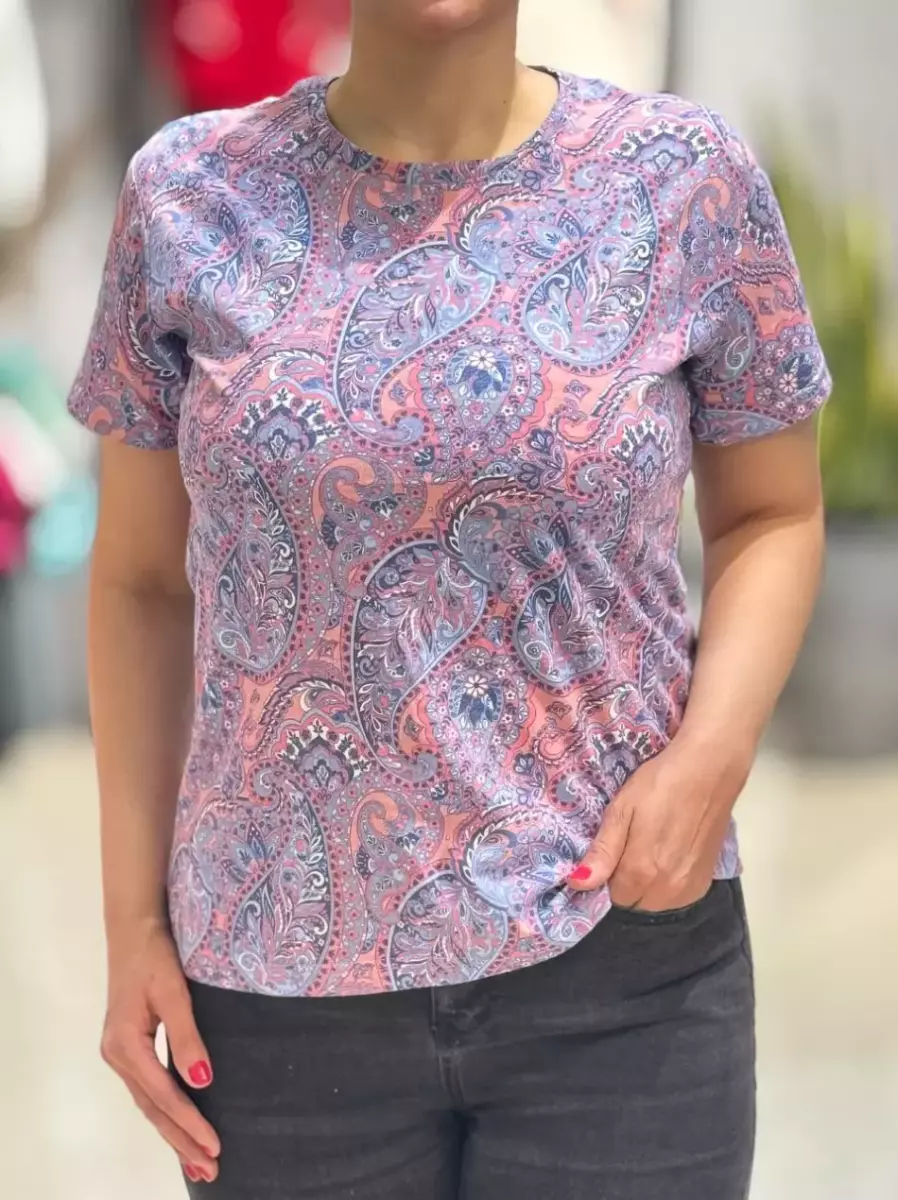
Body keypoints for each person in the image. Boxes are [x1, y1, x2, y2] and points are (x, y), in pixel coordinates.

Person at [68, 1, 830, 1196]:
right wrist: (132, 927)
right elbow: (140, 581)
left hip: (618, 964)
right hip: (276, 987)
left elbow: (772, 514)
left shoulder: (681, 178)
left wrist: (711, 760)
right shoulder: (188, 194)